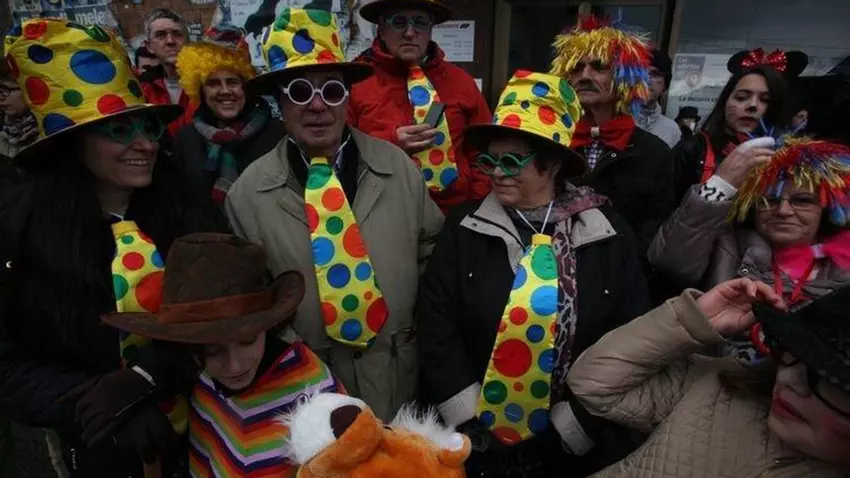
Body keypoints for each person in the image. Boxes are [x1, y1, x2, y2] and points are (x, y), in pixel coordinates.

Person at [0, 19, 219, 477]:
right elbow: (11, 365)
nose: (145, 144)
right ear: (73, 144)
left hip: (208, 439)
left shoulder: (189, 212)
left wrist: (147, 377)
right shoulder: (24, 235)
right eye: (119, 130)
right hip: (100, 454)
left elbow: (225, 310)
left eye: (148, 126)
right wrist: (98, 406)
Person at [417, 70, 650, 477]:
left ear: (553, 163)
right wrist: (468, 415)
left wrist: (573, 427)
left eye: (511, 161)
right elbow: (436, 322)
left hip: (574, 442)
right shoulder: (464, 227)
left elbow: (628, 336)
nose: (497, 172)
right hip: (475, 438)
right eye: (489, 160)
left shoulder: (607, 233)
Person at [225, 8, 444, 422]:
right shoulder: (247, 195)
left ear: (348, 97)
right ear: (279, 103)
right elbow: (250, 303)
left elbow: (432, 260)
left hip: (399, 382)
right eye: (299, 91)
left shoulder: (398, 169)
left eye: (332, 90)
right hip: (308, 395)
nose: (317, 106)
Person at [102, 233, 344, 478]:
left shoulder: (315, 391)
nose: (235, 366)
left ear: (268, 326)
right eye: (212, 350)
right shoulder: (202, 382)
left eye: (248, 340)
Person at [566, 277, 850, 477]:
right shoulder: (725, 389)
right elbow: (592, 384)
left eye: (830, 381)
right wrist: (691, 322)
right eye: (792, 354)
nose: (789, 380)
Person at [651, 137, 850, 364]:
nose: (783, 211)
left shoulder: (843, 267)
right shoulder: (723, 243)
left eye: (802, 200)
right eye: (769, 200)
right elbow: (670, 259)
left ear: (826, 209)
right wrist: (722, 183)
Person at [550, 15, 676, 265]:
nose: (584, 76)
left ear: (625, 77)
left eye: (599, 67)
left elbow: (657, 229)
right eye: (576, 68)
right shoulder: (551, 144)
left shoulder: (654, 152)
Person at [349, 0, 492, 214]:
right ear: (381, 29)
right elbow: (340, 152)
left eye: (420, 22)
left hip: (455, 214)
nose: (409, 33)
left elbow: (484, 151)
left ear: (430, 29)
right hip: (383, 211)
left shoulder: (461, 82)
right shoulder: (356, 82)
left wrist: (475, 208)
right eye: (399, 22)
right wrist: (391, 144)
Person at [667, 48, 807, 203]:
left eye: (765, 100)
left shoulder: (795, 159)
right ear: (725, 102)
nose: (752, 105)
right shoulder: (692, 150)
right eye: (741, 97)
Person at [172, 25, 285, 208]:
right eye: (213, 83)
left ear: (246, 86)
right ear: (200, 90)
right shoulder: (186, 139)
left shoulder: (278, 135)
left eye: (232, 82)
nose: (225, 91)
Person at [139, 8, 197, 138]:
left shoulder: (208, 82)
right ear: (149, 46)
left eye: (178, 34)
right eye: (161, 35)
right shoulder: (143, 88)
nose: (170, 41)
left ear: (188, 42)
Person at [636, 49, 681, 148]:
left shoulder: (672, 130)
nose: (646, 79)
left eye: (655, 74)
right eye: (640, 72)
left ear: (665, 85)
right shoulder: (615, 121)